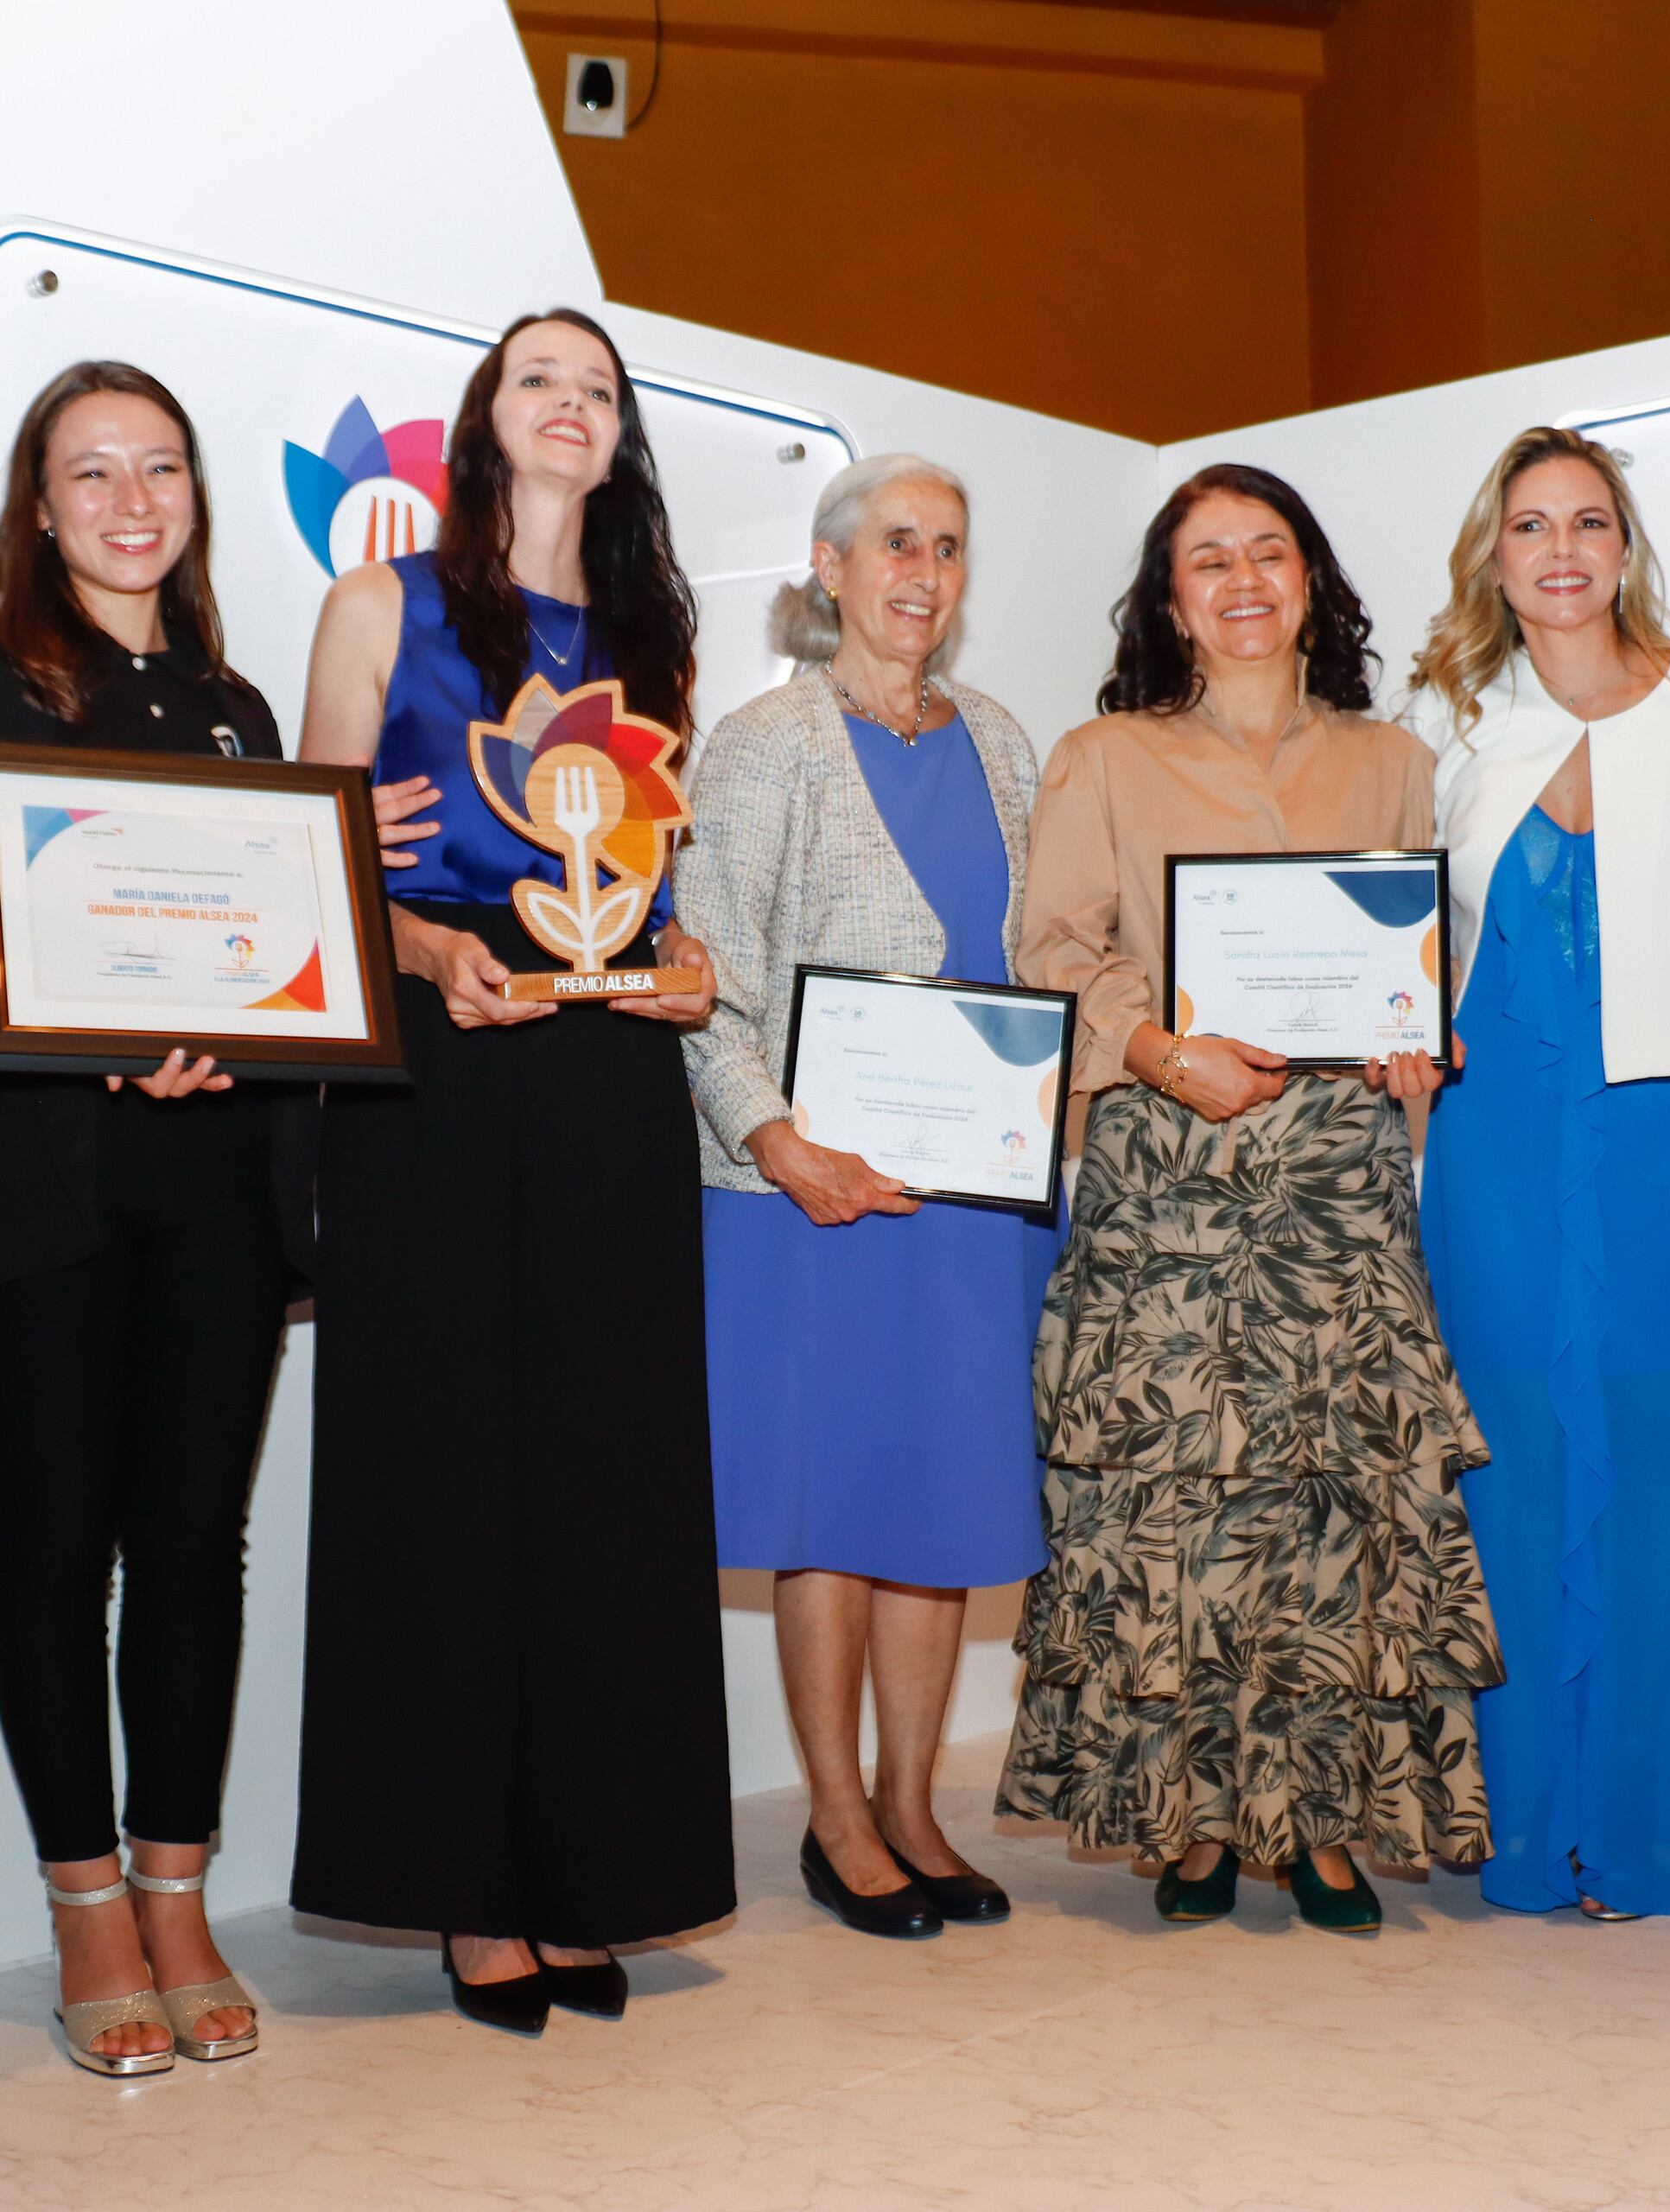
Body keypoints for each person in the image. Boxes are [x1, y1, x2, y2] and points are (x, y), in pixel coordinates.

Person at [0, 362, 431, 2074]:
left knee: (198, 1543)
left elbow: (271, 942)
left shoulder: (237, 709)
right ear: (40, 509)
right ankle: (85, 1904)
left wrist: (336, 879)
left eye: (162, 469)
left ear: (195, 498)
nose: (132, 501)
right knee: (56, 1540)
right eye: (93, 472)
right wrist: (109, 1038)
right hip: (44, 1179)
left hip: (223, 1183)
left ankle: (178, 1889)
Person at [289, 308, 735, 2034]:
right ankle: (466, 1894)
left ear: (620, 441)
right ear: (486, 418)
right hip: (439, 1059)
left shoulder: (652, 641)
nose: (571, 404)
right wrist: (414, 939)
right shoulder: (378, 604)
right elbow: (306, 869)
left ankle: (593, 1872)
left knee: (611, 1471)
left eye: (598, 389)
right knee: (443, 1464)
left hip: (611, 1065)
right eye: (539, 377)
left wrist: (685, 962)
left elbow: (650, 879)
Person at [998, 464, 1501, 1935]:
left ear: (1310, 583)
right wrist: (1161, 1049)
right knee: (1173, 1508)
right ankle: (1192, 1822)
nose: (1241, 582)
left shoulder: (1393, 761)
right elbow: (1051, 952)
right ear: (1170, 602)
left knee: (1334, 1505)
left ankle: (1327, 1828)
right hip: (1170, 1178)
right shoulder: (1102, 757)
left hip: (1339, 1183)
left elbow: (1418, 963)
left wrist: (1419, 1043)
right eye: (1207, 560)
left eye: (1267, 552)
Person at [1400, 428, 1670, 1921]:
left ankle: (1653, 1831)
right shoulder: (1446, 722)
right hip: (1499, 1142)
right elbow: (1395, 939)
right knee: (1514, 1460)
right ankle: (1530, 1826)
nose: (1560, 551)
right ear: (1492, 558)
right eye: (1529, 526)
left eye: (1587, 523)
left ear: (1625, 547)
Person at [676, 454, 1053, 1942]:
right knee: (829, 1504)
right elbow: (704, 981)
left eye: (947, 547)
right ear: (831, 570)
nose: (923, 572)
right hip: (807, 1197)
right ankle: (838, 1821)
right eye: (896, 543)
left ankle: (913, 1805)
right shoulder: (762, 743)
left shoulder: (1004, 740)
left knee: (939, 1496)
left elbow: (1036, 961)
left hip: (966, 1198)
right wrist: (775, 1140)